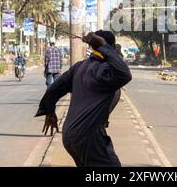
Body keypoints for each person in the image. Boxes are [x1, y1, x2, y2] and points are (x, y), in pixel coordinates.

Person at [35, 31, 132, 167]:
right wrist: (104, 46)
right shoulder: (105, 71)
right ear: (110, 48)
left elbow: (53, 89)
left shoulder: (79, 67)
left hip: (70, 136)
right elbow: (125, 74)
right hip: (89, 137)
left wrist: (49, 110)